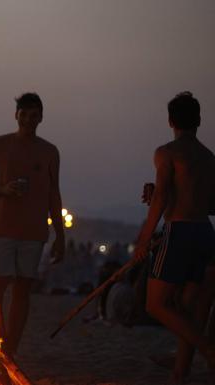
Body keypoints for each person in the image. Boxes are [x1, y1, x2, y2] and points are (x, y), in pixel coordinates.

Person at [133, 91, 215, 382]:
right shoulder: (209, 157)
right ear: (199, 121)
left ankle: (208, 349)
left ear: (170, 121)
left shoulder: (166, 153)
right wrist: (161, 196)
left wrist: (144, 238)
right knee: (191, 311)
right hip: (205, 233)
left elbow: (163, 198)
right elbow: (208, 204)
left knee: (155, 304)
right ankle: (179, 372)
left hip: (179, 232)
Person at [0, 92, 65, 355]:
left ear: (41, 118)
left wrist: (59, 235)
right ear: (16, 116)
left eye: (33, 115)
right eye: (23, 114)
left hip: (33, 231)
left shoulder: (49, 151)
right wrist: (4, 189)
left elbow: (54, 194)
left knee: (23, 290)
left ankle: (10, 351)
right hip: (0, 228)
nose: (28, 119)